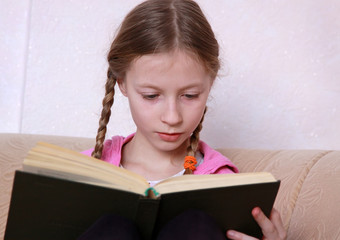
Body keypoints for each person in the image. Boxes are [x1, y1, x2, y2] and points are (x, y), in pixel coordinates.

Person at [81, 0, 287, 239]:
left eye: (189, 95)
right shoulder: (82, 171)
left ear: (209, 85)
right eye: (151, 96)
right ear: (122, 84)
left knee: (195, 224)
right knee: (112, 229)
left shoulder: (224, 186)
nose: (172, 117)